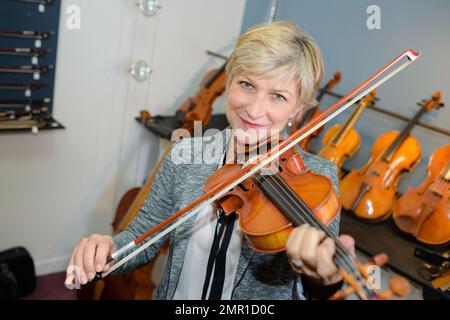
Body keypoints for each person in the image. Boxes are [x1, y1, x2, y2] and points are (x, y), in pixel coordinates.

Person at [65, 21, 355, 300]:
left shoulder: (318, 180)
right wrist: (107, 248)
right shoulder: (185, 155)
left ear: (299, 109)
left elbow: (315, 283)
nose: (254, 109)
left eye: (278, 96)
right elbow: (142, 238)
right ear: (229, 82)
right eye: (247, 85)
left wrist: (324, 279)